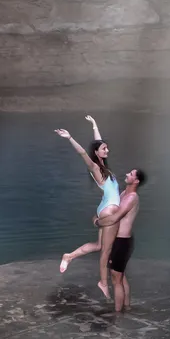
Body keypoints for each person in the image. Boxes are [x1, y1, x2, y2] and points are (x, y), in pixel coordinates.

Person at [55, 115, 120, 298]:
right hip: (108, 210)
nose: (107, 150)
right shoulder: (95, 168)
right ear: (97, 153)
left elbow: (96, 143)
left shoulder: (104, 166)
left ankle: (69, 256)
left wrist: (94, 125)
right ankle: (103, 283)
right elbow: (83, 152)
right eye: (104, 149)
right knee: (105, 250)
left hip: (105, 208)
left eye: (106, 147)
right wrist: (70, 138)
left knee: (100, 245)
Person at [94, 168, 146, 312]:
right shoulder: (124, 194)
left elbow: (115, 217)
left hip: (122, 242)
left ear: (136, 181)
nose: (127, 174)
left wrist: (98, 222)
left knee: (116, 279)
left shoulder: (131, 197)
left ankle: (118, 313)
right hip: (119, 240)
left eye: (131, 174)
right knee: (121, 277)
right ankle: (127, 306)